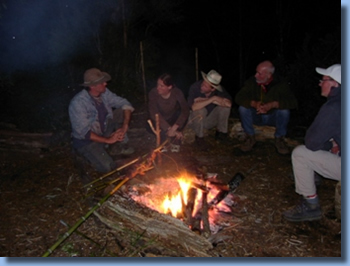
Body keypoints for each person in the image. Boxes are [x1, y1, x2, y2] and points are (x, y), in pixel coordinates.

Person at [283, 64, 341, 222]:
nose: (320, 83)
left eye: (324, 80)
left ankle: (311, 205)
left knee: (301, 154)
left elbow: (311, 142)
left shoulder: (334, 107)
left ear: (335, 84)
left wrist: (330, 145)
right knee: (329, 136)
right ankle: (311, 174)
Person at [69, 68, 135, 174]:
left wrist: (125, 126)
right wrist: (108, 139)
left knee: (121, 111)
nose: (105, 83)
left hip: (102, 130)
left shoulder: (104, 93)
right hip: (86, 141)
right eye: (101, 82)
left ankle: (118, 144)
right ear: (92, 86)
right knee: (109, 168)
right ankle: (88, 155)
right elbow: (84, 133)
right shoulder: (78, 103)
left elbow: (125, 103)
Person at [235, 60, 297, 154]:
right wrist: (254, 104)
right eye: (256, 72)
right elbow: (239, 97)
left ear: (269, 75)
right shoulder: (251, 82)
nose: (256, 75)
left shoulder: (280, 84)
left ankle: (279, 139)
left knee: (284, 111)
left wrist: (274, 104)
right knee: (243, 108)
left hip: (273, 117)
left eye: (259, 73)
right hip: (256, 115)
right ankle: (250, 137)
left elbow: (293, 102)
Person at [187, 70, 232, 150]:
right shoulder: (195, 87)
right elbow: (194, 107)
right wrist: (213, 99)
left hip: (208, 120)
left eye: (205, 86)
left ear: (213, 89)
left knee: (224, 108)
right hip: (194, 121)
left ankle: (221, 133)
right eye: (203, 83)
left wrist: (209, 100)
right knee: (201, 110)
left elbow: (229, 104)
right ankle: (199, 138)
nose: (202, 86)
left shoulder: (219, 91)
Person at [148, 73, 190, 152]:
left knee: (179, 114)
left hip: (172, 118)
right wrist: (169, 128)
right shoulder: (153, 93)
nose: (158, 88)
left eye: (161, 86)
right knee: (154, 121)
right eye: (158, 85)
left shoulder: (177, 92)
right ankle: (164, 143)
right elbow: (153, 112)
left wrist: (174, 128)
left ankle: (176, 142)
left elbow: (185, 110)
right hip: (160, 120)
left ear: (169, 87)